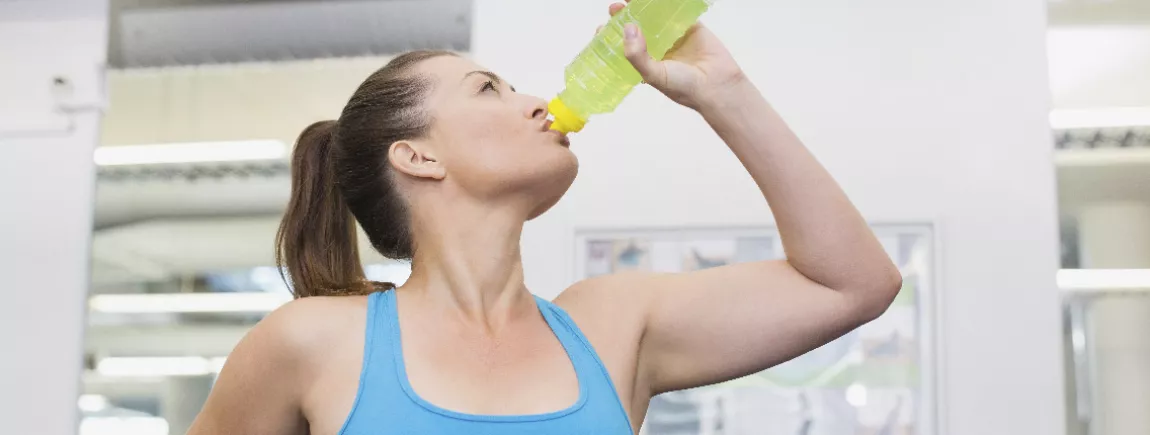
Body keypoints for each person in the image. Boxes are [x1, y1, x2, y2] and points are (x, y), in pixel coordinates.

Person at [188, 2, 902, 434]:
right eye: (488, 89)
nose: (534, 102)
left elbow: (853, 284)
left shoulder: (612, 325)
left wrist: (725, 92)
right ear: (417, 157)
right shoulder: (310, 341)